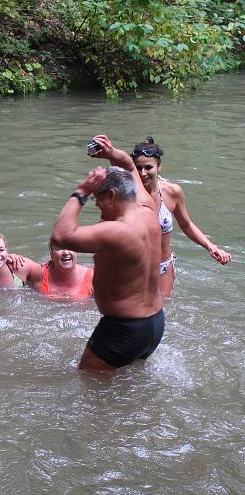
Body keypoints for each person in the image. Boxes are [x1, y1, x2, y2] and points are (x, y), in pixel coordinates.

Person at [51, 166, 164, 372]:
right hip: (155, 323)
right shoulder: (150, 213)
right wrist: (113, 153)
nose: (97, 206)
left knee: (90, 389)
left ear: (111, 195)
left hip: (123, 330)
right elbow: (131, 168)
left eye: (97, 199)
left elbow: (60, 237)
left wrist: (81, 192)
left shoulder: (116, 231)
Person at [91, 135, 232, 296]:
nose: (143, 173)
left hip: (163, 267)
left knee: (163, 314)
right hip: (131, 267)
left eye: (148, 167)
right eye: (138, 168)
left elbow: (187, 225)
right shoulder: (127, 192)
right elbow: (121, 162)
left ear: (159, 167)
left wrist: (211, 247)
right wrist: (111, 152)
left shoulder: (172, 192)